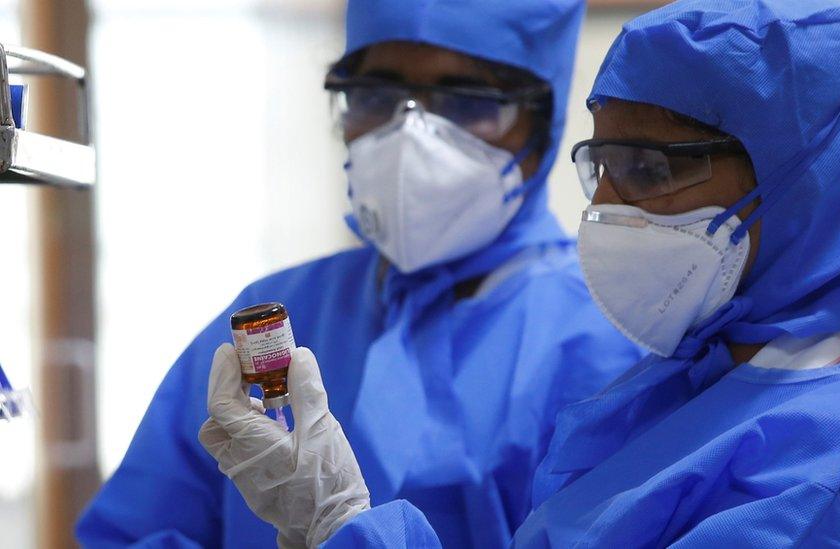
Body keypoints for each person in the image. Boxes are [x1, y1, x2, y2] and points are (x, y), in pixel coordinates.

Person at [197, 0, 840, 546]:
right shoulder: (679, 399)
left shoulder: (819, 480)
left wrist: (340, 520)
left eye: (648, 168)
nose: (604, 209)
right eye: (601, 166)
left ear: (804, 189)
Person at [75, 0, 643, 547]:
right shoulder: (271, 318)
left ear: (541, 127)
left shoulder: (614, 339)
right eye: (376, 94)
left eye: (467, 101)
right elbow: (139, 531)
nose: (410, 134)